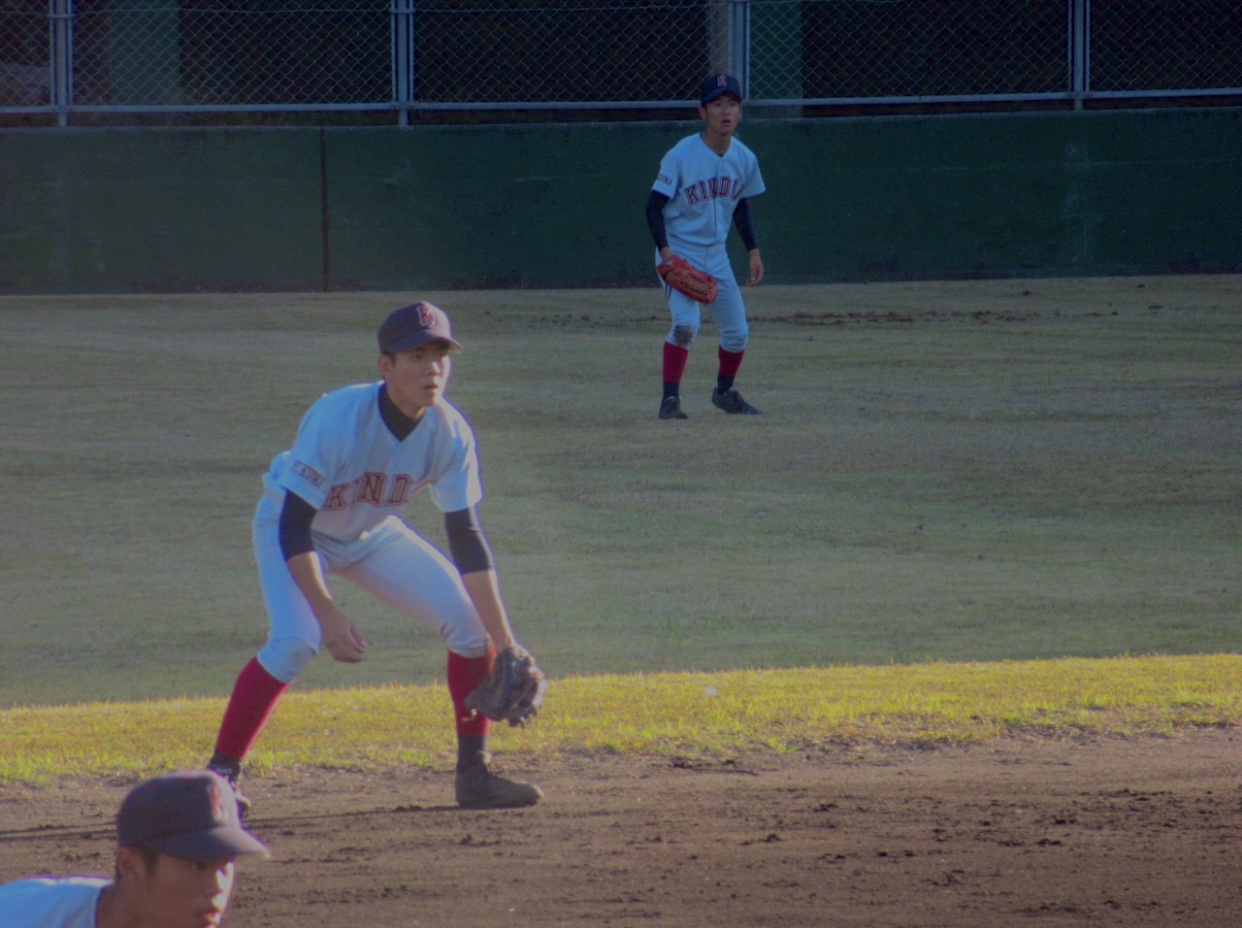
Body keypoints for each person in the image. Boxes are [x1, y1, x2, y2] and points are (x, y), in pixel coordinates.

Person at [205, 301, 543, 812]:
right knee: (297, 642)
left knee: (473, 631)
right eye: (416, 356)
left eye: (440, 355)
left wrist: (507, 642)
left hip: (371, 532)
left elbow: (466, 535)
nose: (432, 368)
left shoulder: (450, 432)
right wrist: (327, 609)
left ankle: (474, 776)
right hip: (295, 532)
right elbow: (294, 525)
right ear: (386, 367)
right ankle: (218, 780)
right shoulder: (338, 418)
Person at [0, 769, 268, 928]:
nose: (216, 886)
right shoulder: (26, 917)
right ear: (130, 865)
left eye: (224, 865)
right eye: (196, 865)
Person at [646, 72, 767, 421]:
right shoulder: (681, 155)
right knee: (686, 325)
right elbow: (652, 206)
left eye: (732, 104)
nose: (725, 111)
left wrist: (753, 250)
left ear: (740, 113)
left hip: (716, 254)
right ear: (703, 113)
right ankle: (670, 401)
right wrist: (666, 253)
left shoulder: (744, 158)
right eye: (717, 104)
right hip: (679, 250)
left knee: (737, 332)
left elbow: (741, 205)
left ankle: (724, 392)